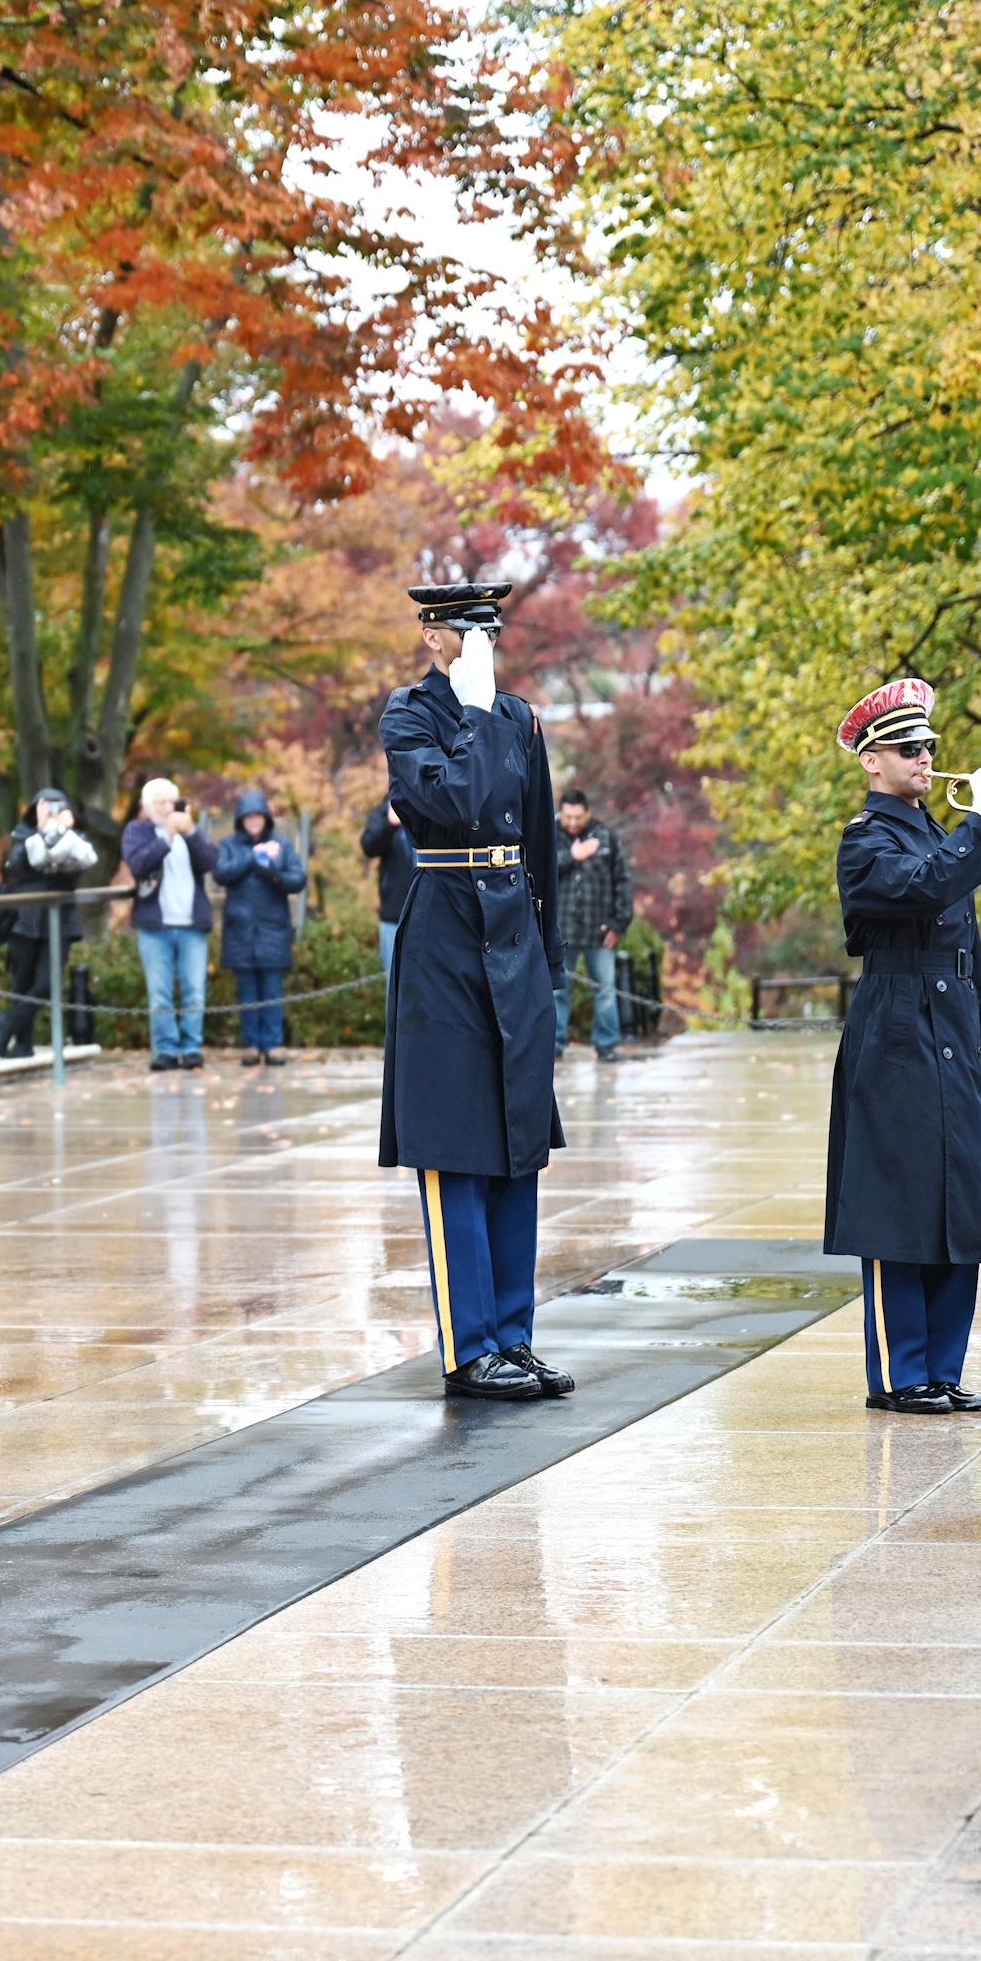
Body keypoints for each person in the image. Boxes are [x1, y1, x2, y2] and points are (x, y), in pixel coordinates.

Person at [380, 584, 573, 1403]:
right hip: (445, 938)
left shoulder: (519, 716)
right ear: (433, 635)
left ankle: (515, 1335)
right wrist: (472, 712)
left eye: (490, 629)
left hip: (512, 936)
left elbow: (539, 843)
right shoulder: (411, 716)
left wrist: (552, 966)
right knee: (457, 1148)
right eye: (468, 628)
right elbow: (452, 802)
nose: (481, 642)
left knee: (515, 1145)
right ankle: (471, 1347)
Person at [825, 678, 981, 1416]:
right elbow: (929, 889)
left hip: (951, 1027)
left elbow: (969, 948)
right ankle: (902, 1375)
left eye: (929, 744)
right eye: (909, 748)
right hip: (897, 1029)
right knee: (898, 1209)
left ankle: (942, 1366)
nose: (926, 757)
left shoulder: (936, 832)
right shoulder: (865, 840)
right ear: (873, 761)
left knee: (956, 1203)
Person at [0, 788, 94, 1061]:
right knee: (21, 980)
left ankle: (7, 1024)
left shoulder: (76, 838)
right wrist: (41, 829)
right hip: (27, 917)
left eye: (58, 807)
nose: (53, 813)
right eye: (46, 808)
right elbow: (18, 865)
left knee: (47, 984)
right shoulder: (23, 836)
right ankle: (23, 1043)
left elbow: (79, 866)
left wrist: (60, 833)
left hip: (62, 917)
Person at [122, 777, 216, 1072]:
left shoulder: (190, 831)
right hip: (155, 927)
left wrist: (190, 833)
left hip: (191, 925)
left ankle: (191, 1048)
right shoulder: (138, 831)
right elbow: (138, 864)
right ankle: (165, 1049)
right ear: (147, 807)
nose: (166, 808)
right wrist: (167, 837)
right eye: (160, 802)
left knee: (194, 992)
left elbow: (211, 861)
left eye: (170, 802)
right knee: (160, 994)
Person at [209, 791, 305, 1066]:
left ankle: (272, 1045)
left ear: (265, 818)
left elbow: (297, 879)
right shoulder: (229, 845)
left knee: (272, 991)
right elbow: (221, 873)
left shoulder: (282, 845)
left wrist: (273, 873)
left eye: (257, 817)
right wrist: (254, 857)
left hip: (273, 930)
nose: (253, 822)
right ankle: (251, 1044)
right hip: (240, 931)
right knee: (248, 992)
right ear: (241, 820)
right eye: (247, 817)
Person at [551, 790, 633, 1061]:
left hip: (599, 931)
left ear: (586, 812)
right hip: (560, 932)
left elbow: (622, 881)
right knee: (557, 992)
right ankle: (554, 1045)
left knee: (606, 991)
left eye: (578, 816)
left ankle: (607, 1045)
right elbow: (538, 873)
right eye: (567, 816)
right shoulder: (548, 835)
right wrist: (572, 856)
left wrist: (618, 924)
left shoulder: (605, 836)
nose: (572, 822)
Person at [361, 796, 417, 985]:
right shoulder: (384, 810)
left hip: (432, 917)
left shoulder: (432, 807)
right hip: (394, 918)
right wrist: (390, 823)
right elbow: (369, 845)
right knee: (396, 989)